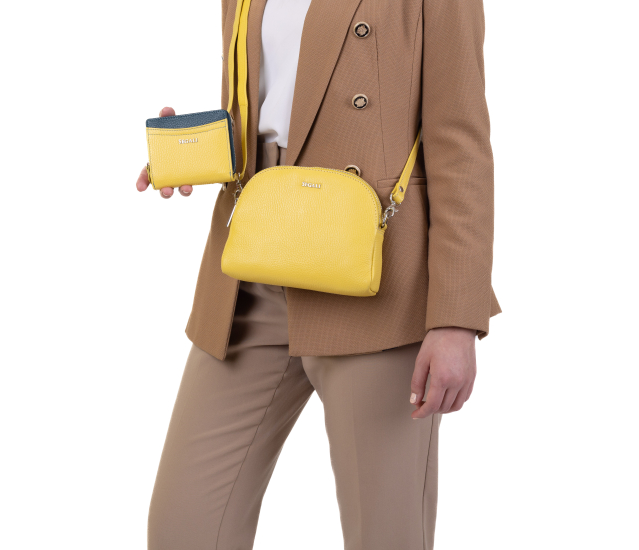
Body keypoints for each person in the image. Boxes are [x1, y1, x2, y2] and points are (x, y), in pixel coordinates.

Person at [136, 0, 500, 548]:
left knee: (385, 537)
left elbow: (461, 143)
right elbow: (275, 102)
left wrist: (456, 318)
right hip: (252, 271)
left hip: (374, 282)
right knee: (182, 528)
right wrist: (196, 145)